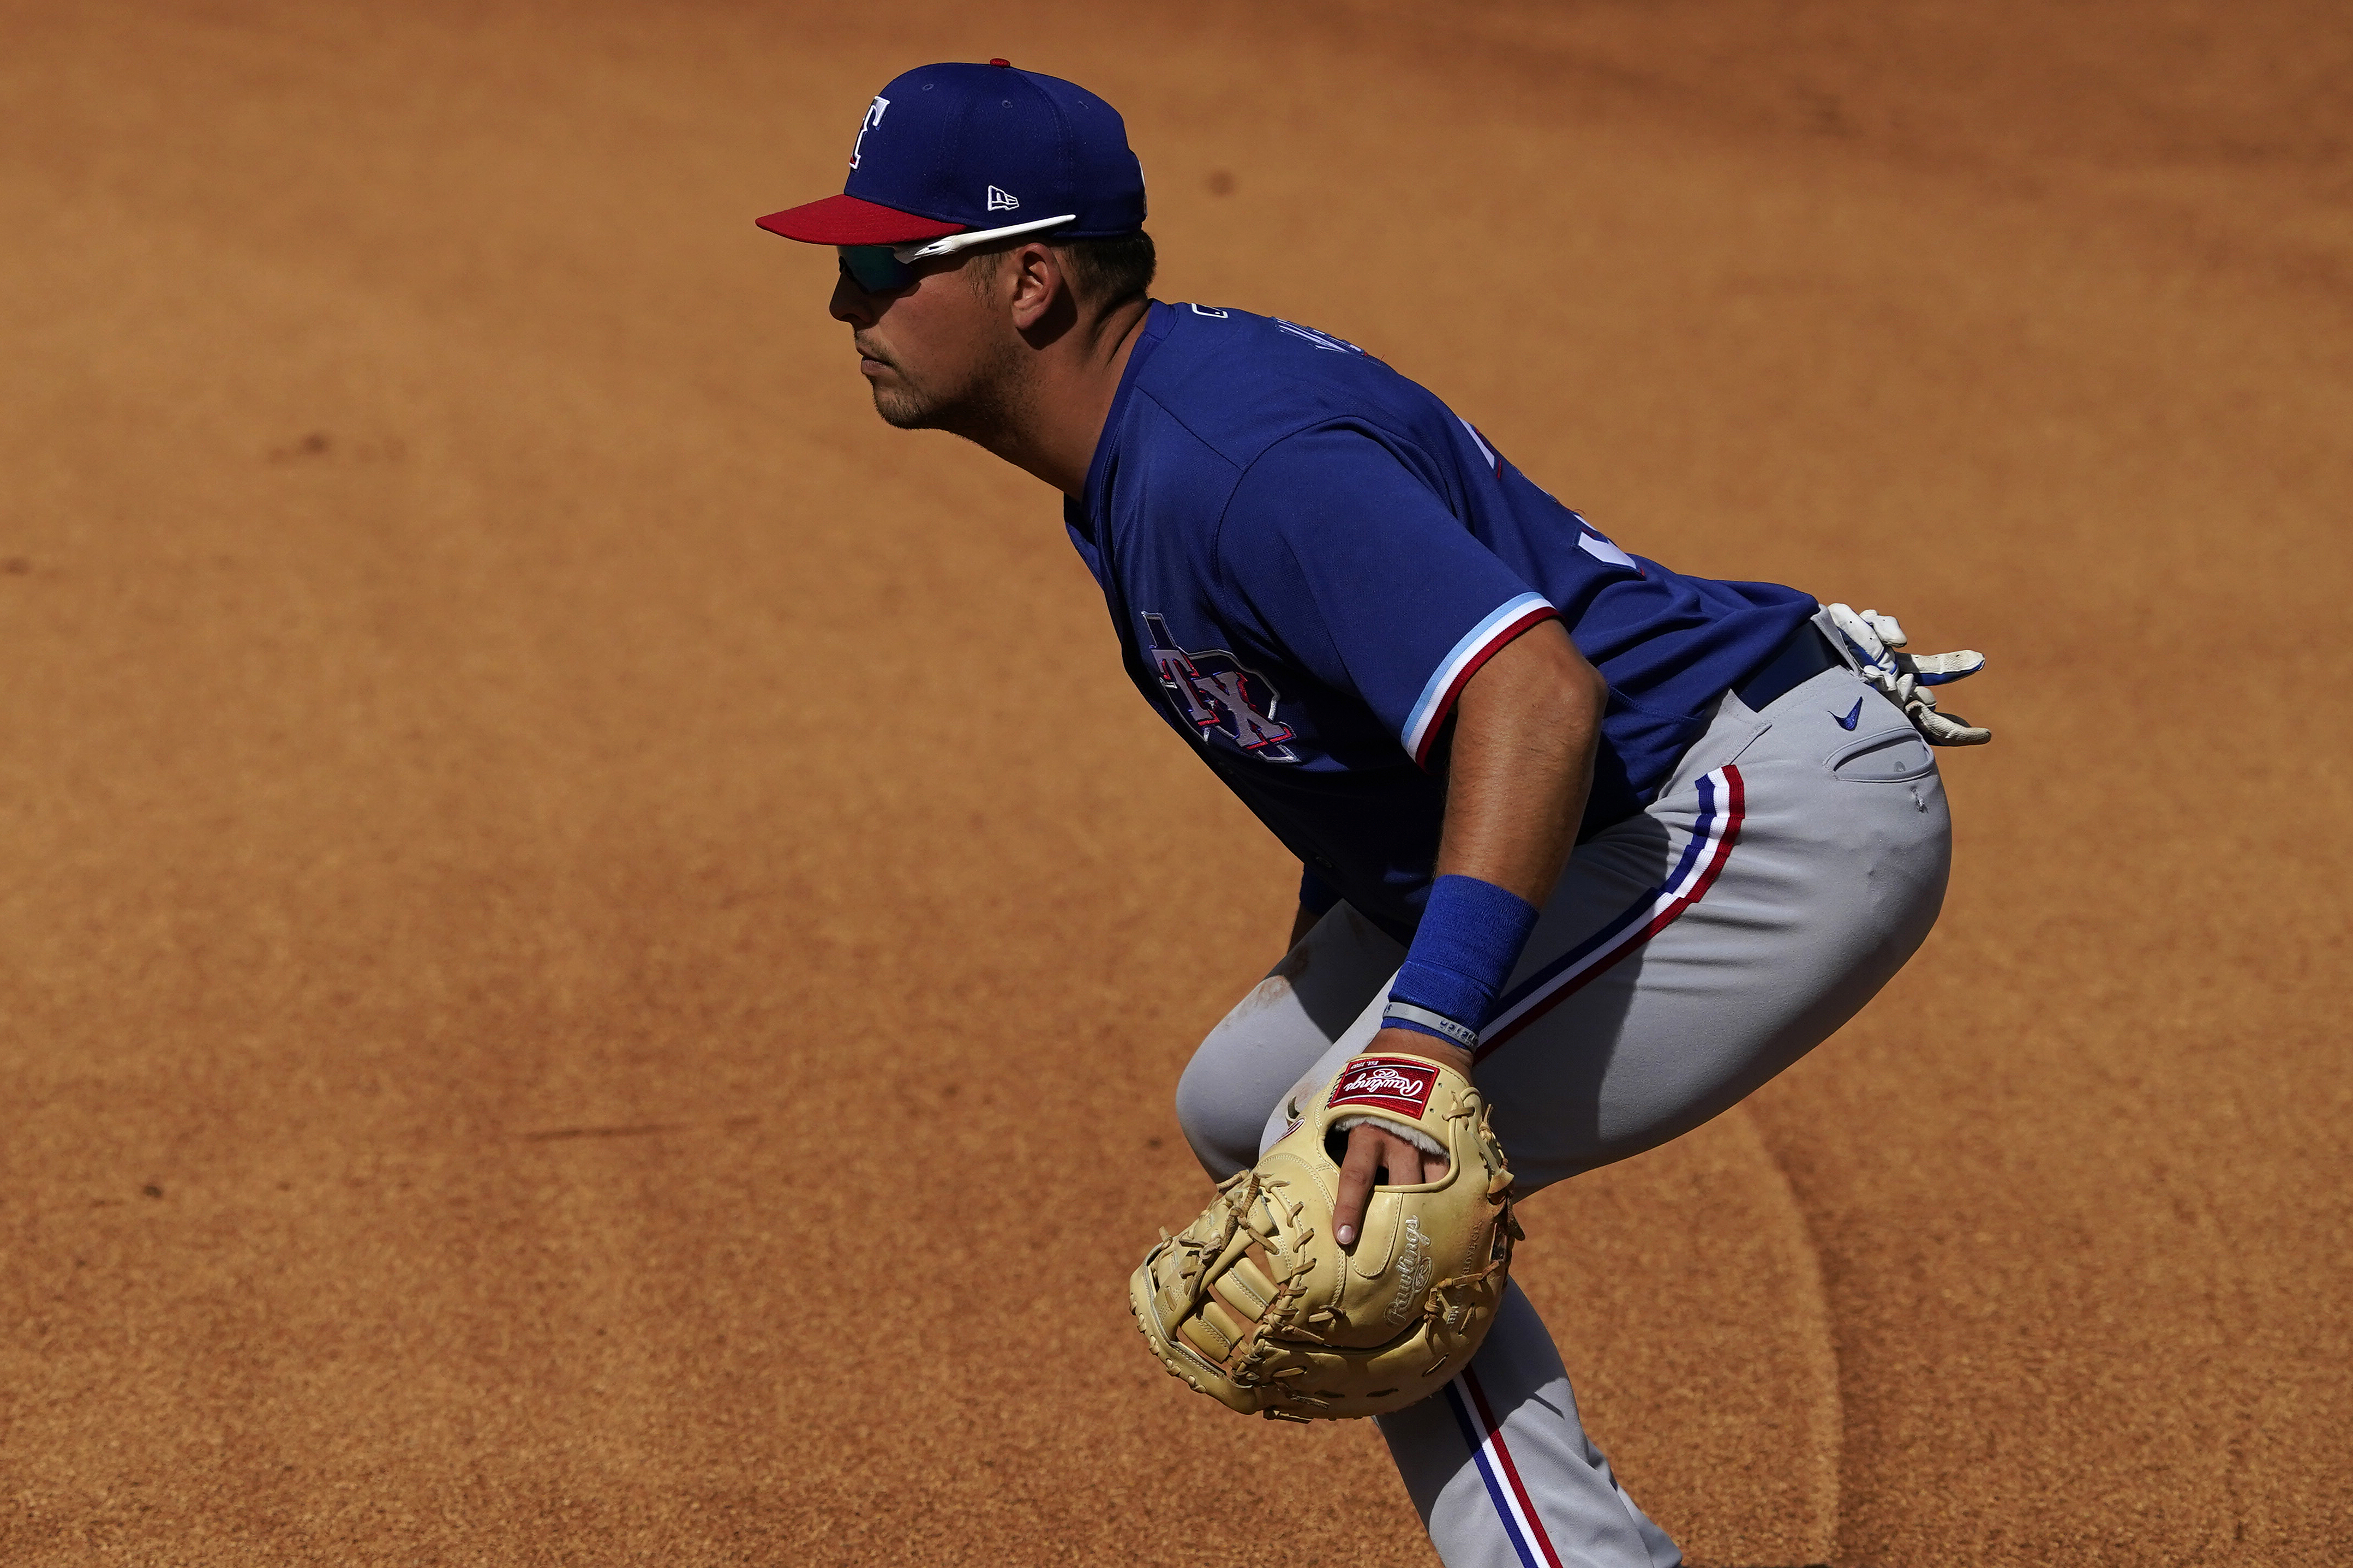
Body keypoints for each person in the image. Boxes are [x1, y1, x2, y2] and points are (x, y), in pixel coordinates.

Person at [759, 59, 1988, 1568]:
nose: (846, 305)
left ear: (1028, 284)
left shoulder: (1234, 465)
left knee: (1344, 1155)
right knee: (1245, 1104)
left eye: (886, 265)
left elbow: (1533, 697)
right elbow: (1351, 740)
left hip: (1749, 813)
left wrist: (1417, 1042)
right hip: (1637, 802)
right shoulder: (1141, 446)